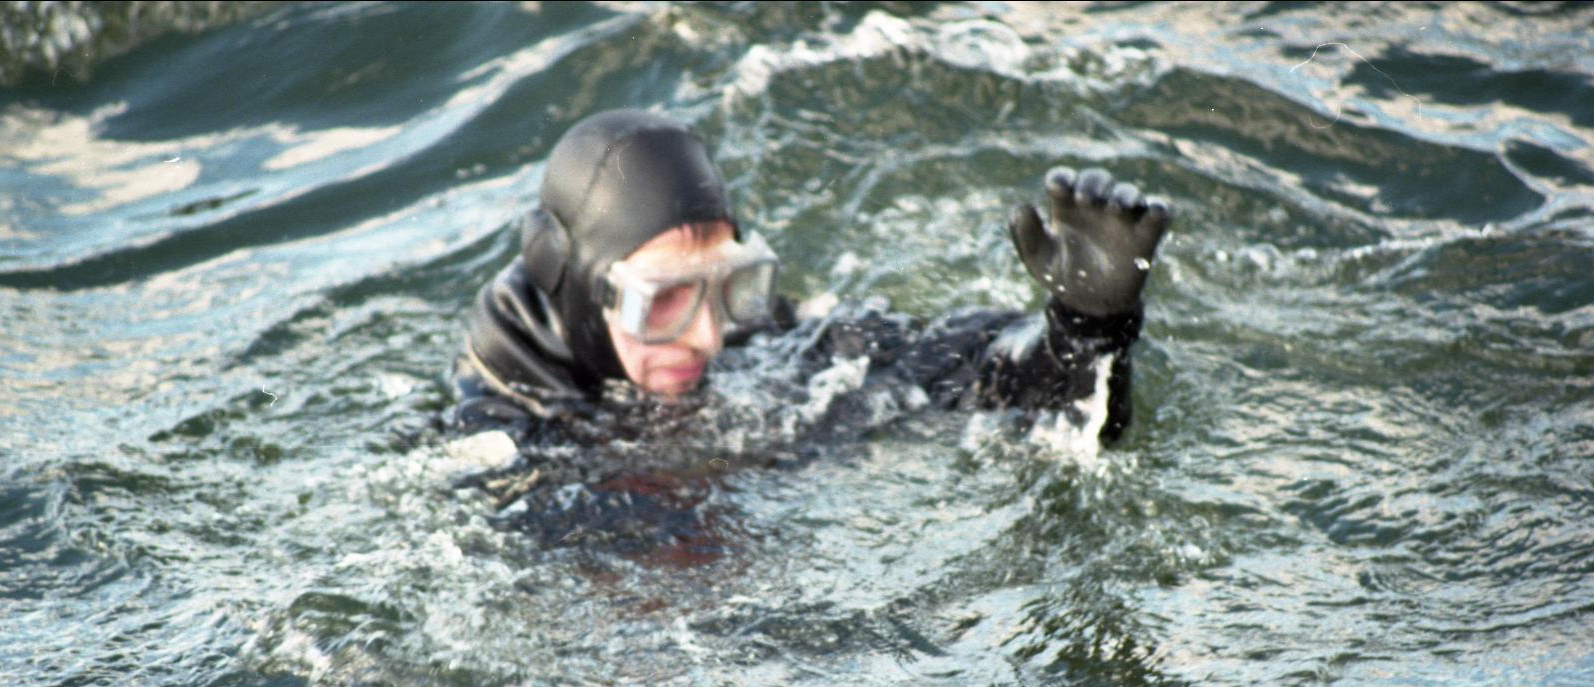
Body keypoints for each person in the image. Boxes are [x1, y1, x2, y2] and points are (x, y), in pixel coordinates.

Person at [449, 109, 1170, 450]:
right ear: (580, 290)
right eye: (663, 301)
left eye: (730, 286)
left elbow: (997, 389)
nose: (708, 337)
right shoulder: (505, 447)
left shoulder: (765, 345)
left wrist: (1084, 326)